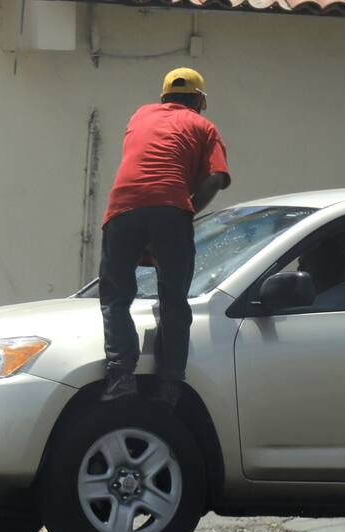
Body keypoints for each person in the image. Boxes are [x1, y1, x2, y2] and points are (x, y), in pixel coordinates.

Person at [98, 67, 231, 407]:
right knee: (173, 301)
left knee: (115, 298)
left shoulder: (140, 115)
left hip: (123, 208)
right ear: (199, 100)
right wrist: (186, 210)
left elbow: (146, 166)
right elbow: (216, 178)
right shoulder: (204, 126)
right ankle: (169, 385)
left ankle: (121, 377)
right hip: (171, 208)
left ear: (163, 97)